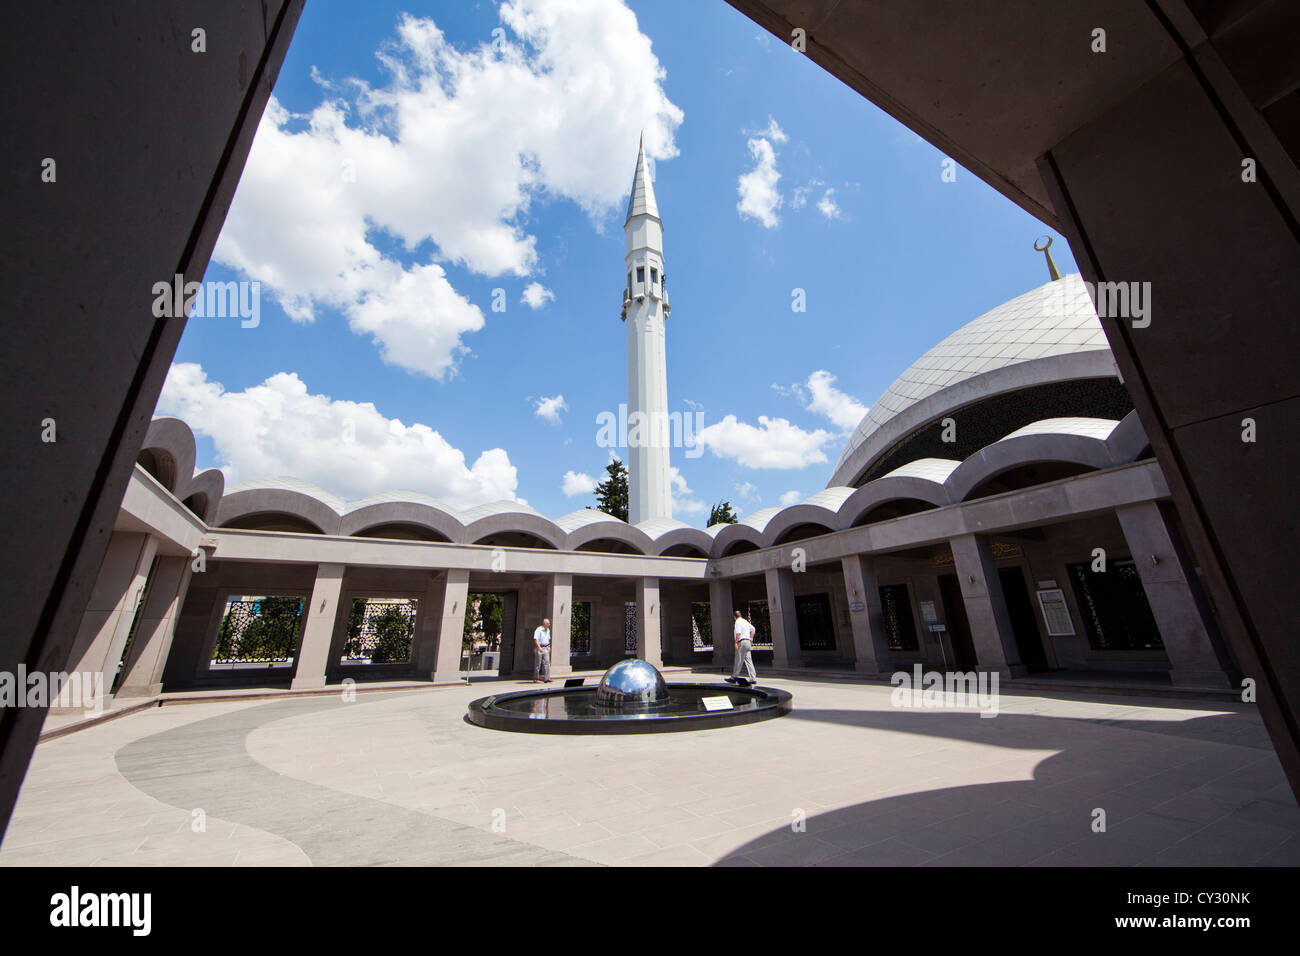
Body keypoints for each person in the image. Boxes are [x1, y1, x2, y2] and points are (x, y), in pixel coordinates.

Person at [726, 609, 757, 685]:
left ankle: (734, 677)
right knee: (749, 660)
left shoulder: (737, 622)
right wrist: (751, 638)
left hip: (742, 642)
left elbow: (738, 634)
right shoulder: (745, 621)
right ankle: (753, 678)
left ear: (734, 617)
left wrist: (736, 642)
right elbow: (753, 629)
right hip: (748, 642)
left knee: (738, 660)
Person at [533, 617, 552, 683]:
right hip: (540, 648)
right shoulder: (539, 630)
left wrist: (549, 646)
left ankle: (547, 678)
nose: (549, 624)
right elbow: (535, 639)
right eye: (548, 623)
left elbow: (548, 639)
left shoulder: (548, 630)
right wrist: (539, 647)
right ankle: (536, 678)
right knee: (538, 664)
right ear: (545, 624)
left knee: (547, 663)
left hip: (546, 648)